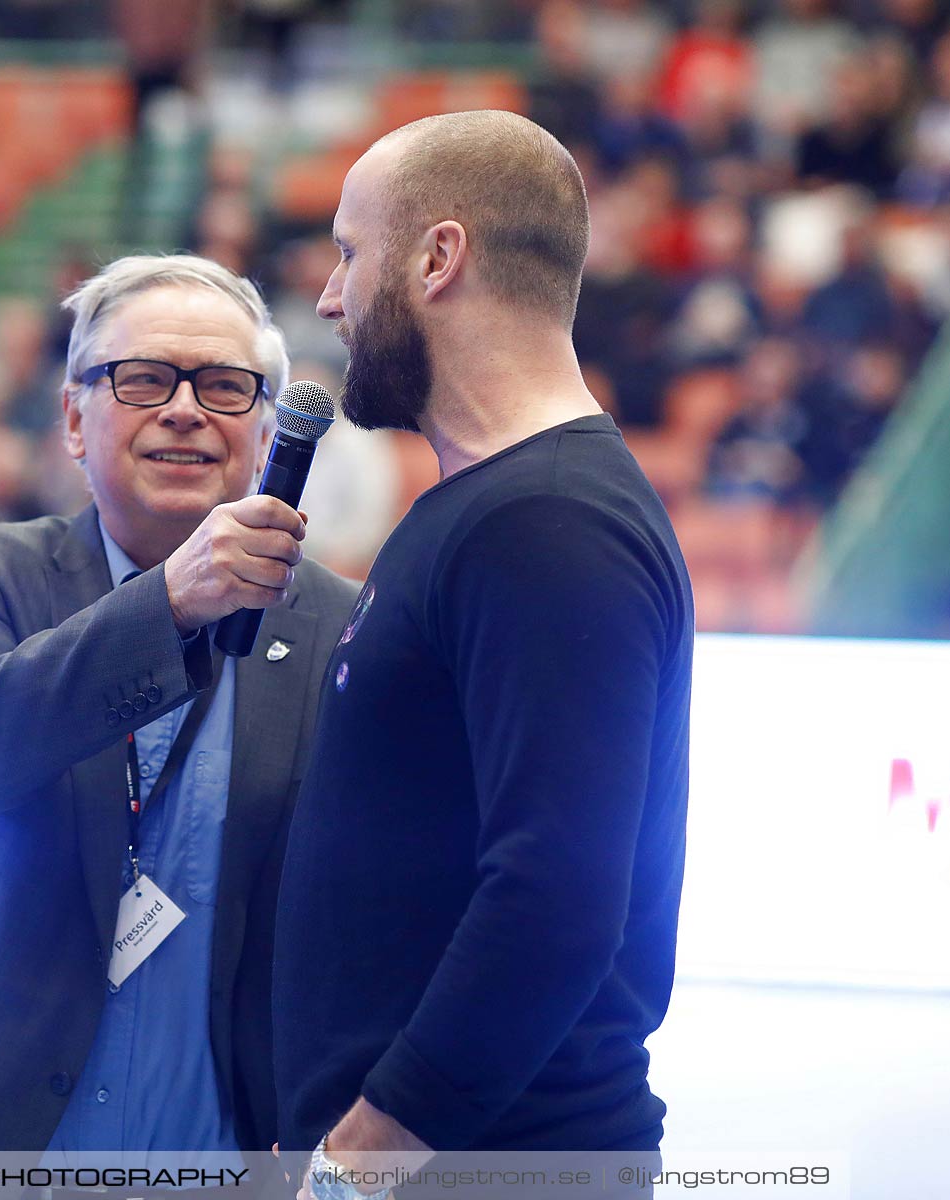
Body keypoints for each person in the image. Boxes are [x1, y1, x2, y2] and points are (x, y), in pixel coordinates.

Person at [272, 110, 695, 1178]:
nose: (329, 297)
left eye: (349, 252)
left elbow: (555, 896)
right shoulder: (493, 506)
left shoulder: (546, 524)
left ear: (438, 256)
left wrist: (363, 1156)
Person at [0, 254, 359, 1156]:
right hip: (2, 1141)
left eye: (224, 386)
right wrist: (171, 599)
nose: (183, 408)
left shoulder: (338, 624)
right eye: (141, 380)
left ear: (264, 433)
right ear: (71, 416)